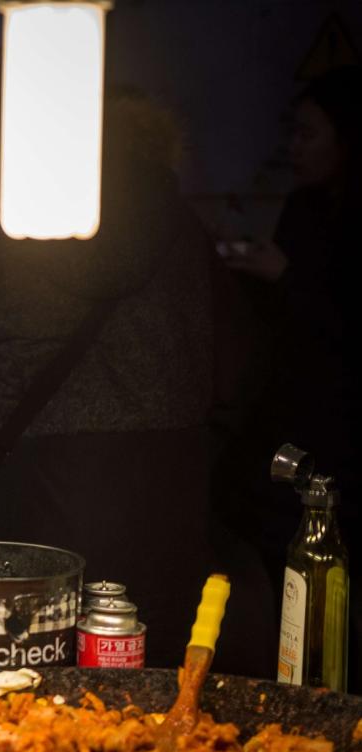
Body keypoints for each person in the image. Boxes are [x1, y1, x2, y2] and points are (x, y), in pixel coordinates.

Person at [0, 54, 274, 674]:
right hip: (175, 505)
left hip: (44, 515)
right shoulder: (177, 216)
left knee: (41, 722)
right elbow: (242, 363)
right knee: (162, 710)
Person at [219, 65, 361, 690]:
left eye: (309, 134)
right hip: (296, 428)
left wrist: (286, 277)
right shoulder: (303, 206)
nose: (295, 148)